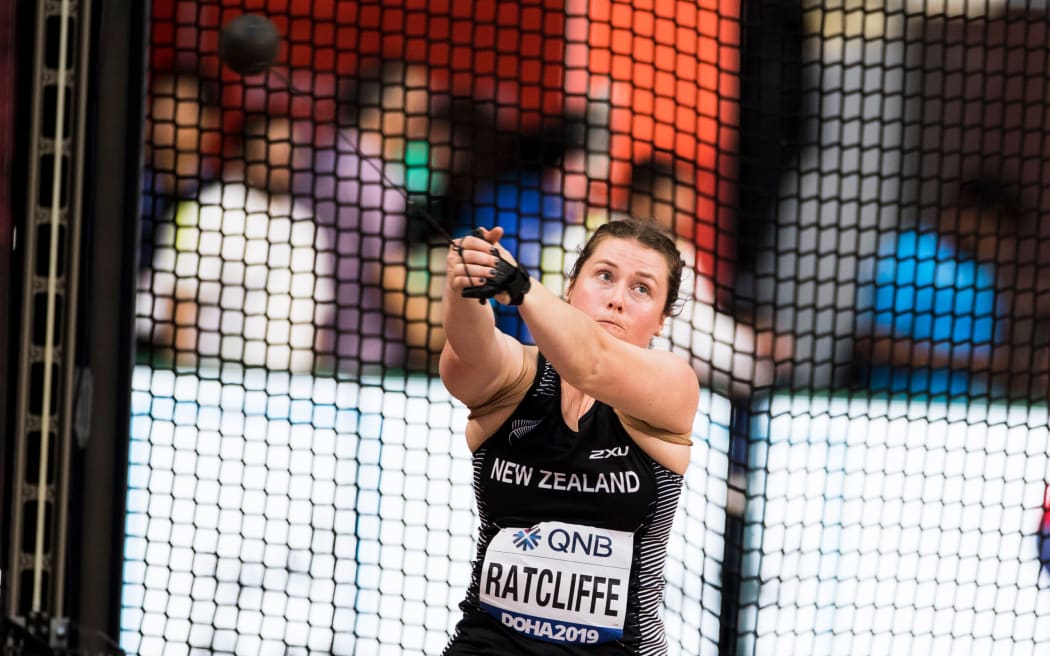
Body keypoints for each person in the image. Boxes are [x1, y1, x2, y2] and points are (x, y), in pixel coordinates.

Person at [440, 218, 700, 654]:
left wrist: (522, 286)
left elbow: (592, 364)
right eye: (605, 276)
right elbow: (470, 350)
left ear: (661, 320)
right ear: (570, 287)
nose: (617, 299)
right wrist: (467, 281)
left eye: (642, 289)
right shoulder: (519, 378)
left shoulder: (673, 385)